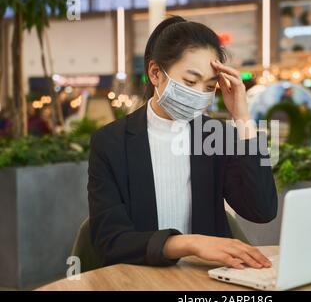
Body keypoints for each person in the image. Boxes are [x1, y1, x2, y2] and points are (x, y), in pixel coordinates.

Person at [88, 15, 278, 270]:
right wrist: (189, 243)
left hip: (205, 279)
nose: (199, 94)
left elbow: (262, 209)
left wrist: (242, 118)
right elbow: (110, 240)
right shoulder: (110, 142)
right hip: (140, 277)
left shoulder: (215, 136)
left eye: (210, 86)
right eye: (190, 81)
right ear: (155, 73)